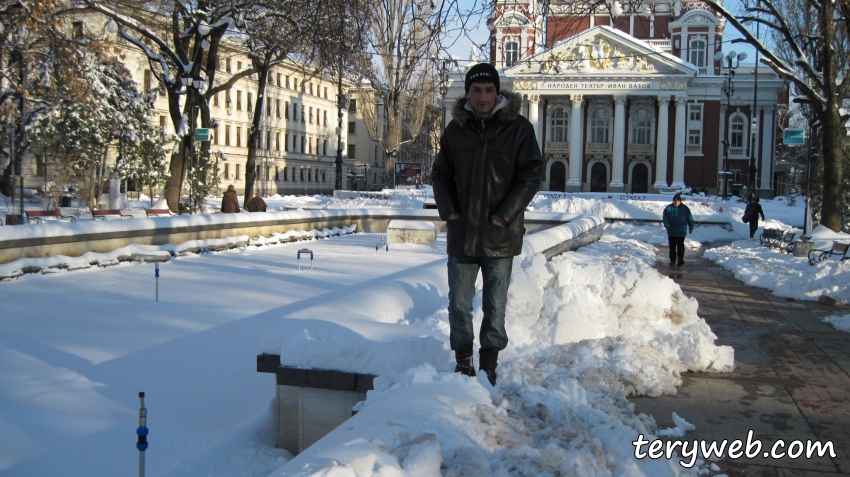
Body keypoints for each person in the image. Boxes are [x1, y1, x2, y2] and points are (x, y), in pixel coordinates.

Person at [431, 62, 543, 386]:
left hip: (500, 235)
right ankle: (463, 360)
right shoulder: (456, 130)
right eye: (477, 91)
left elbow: (531, 175)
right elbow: (440, 174)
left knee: (495, 307)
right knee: (459, 304)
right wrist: (449, 210)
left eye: (489, 90)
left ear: (498, 92)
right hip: (462, 233)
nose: (483, 97)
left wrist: (503, 215)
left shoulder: (519, 129)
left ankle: (489, 363)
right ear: (468, 93)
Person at [662, 193, 695, 266]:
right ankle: (672, 260)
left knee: (680, 246)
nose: (676, 202)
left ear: (680, 201)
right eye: (674, 201)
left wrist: (691, 227)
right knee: (672, 247)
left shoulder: (685, 209)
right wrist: (667, 225)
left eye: (677, 201)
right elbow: (665, 218)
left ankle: (680, 259)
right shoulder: (668, 208)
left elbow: (690, 219)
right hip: (672, 231)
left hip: (681, 231)